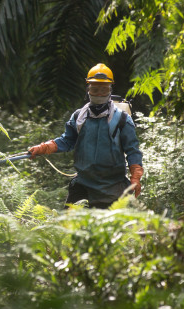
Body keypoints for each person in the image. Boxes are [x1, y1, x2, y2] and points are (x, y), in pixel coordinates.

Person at [28, 63, 144, 208]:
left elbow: (132, 150)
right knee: (69, 225)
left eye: (104, 89)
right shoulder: (79, 117)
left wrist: (135, 177)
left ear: (110, 90)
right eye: (95, 89)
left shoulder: (121, 119)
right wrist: (43, 148)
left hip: (113, 186)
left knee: (109, 229)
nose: (99, 93)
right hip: (83, 184)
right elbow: (67, 141)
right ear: (88, 89)